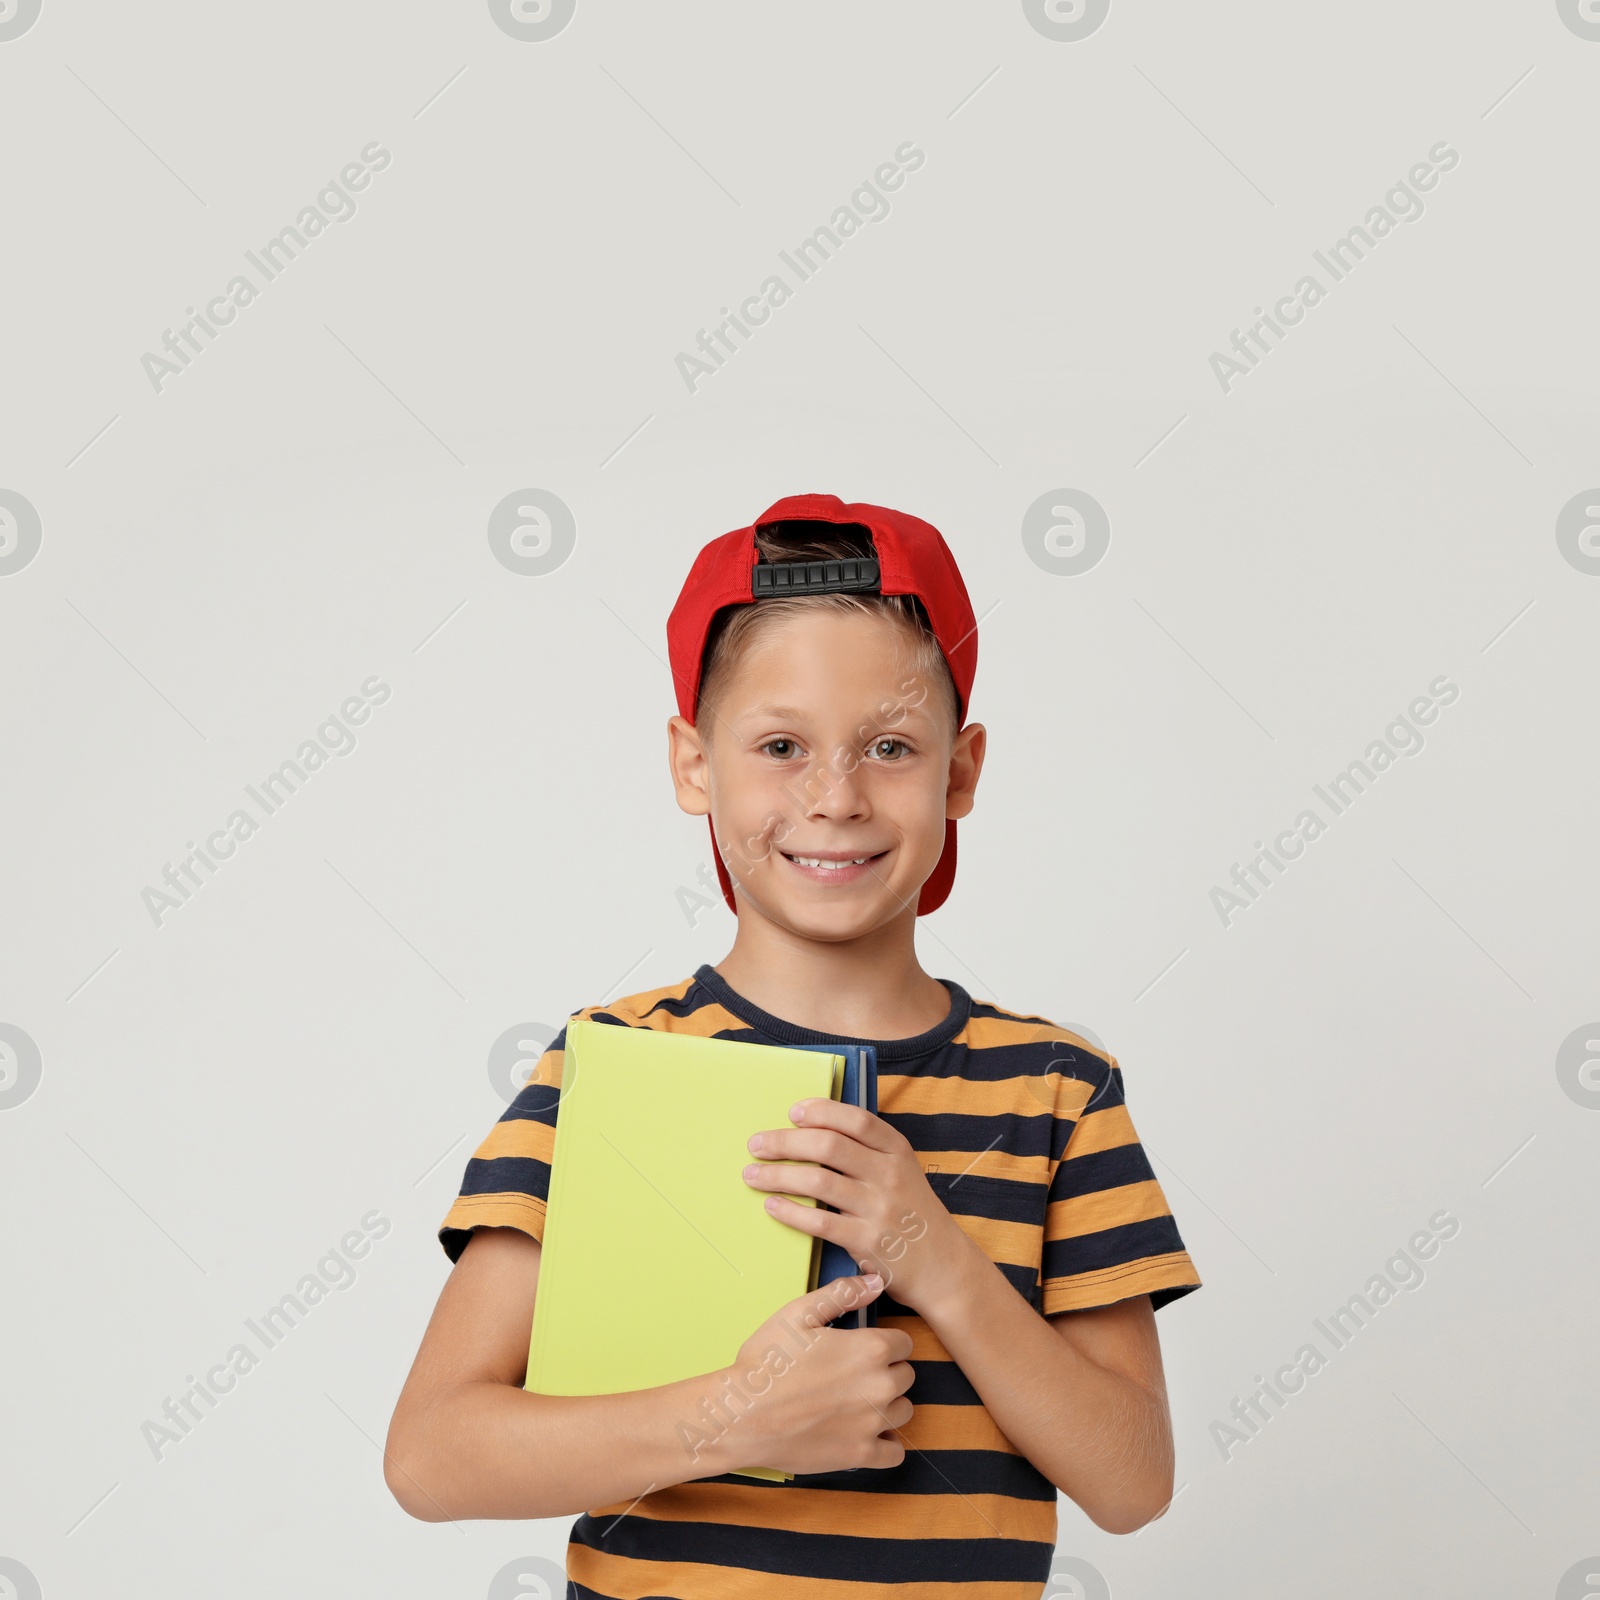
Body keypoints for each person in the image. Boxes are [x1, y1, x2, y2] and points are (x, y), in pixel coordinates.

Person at [384, 493, 1203, 1596]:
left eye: (889, 745)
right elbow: (431, 1454)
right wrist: (734, 1418)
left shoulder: (1056, 1089)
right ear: (693, 764)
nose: (834, 796)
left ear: (959, 772)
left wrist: (935, 1255)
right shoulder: (607, 1065)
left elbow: (1131, 1481)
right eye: (780, 745)